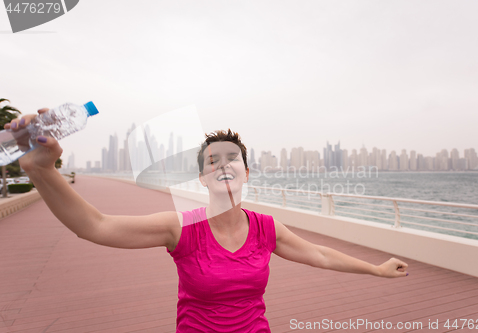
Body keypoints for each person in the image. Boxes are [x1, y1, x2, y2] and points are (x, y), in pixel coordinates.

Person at [6, 109, 409, 332]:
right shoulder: (181, 228)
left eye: (233, 157)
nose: (224, 165)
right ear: (202, 177)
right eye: (212, 160)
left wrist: (377, 269)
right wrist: (44, 170)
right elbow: (95, 226)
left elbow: (319, 254)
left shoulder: (266, 229)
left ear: (247, 172)